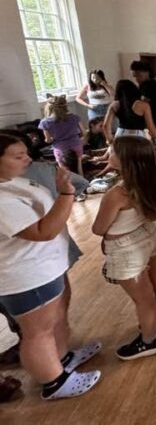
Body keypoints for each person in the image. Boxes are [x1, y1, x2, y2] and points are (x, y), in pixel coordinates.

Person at [0, 134, 101, 400]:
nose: (28, 159)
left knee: (52, 321)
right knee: (36, 333)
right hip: (25, 277)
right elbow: (44, 230)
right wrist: (66, 193)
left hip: (43, 268)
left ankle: (61, 358)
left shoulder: (12, 182)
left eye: (25, 153)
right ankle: (54, 382)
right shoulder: (1, 200)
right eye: (18, 156)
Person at [91, 136, 156, 360]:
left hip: (126, 247)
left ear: (126, 161)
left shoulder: (117, 195)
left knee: (143, 297)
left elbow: (99, 228)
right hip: (150, 233)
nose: (109, 153)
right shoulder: (154, 180)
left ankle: (149, 340)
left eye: (113, 151)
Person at [130, 60, 156, 187]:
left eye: (139, 75)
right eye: (135, 76)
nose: (137, 79)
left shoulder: (148, 86)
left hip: (154, 122)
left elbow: (144, 105)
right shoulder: (149, 84)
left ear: (146, 73)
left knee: (155, 151)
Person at [39, 95, 84, 177]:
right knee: (79, 168)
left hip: (60, 148)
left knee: (64, 172)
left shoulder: (45, 122)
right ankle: (84, 185)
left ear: (49, 108)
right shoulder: (74, 117)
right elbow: (83, 132)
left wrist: (52, 138)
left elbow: (48, 140)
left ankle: (69, 188)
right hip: (76, 145)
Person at [103, 79, 156, 144]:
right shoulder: (143, 105)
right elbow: (150, 126)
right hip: (138, 136)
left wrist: (110, 140)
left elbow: (105, 126)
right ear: (134, 89)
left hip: (120, 135)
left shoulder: (114, 105)